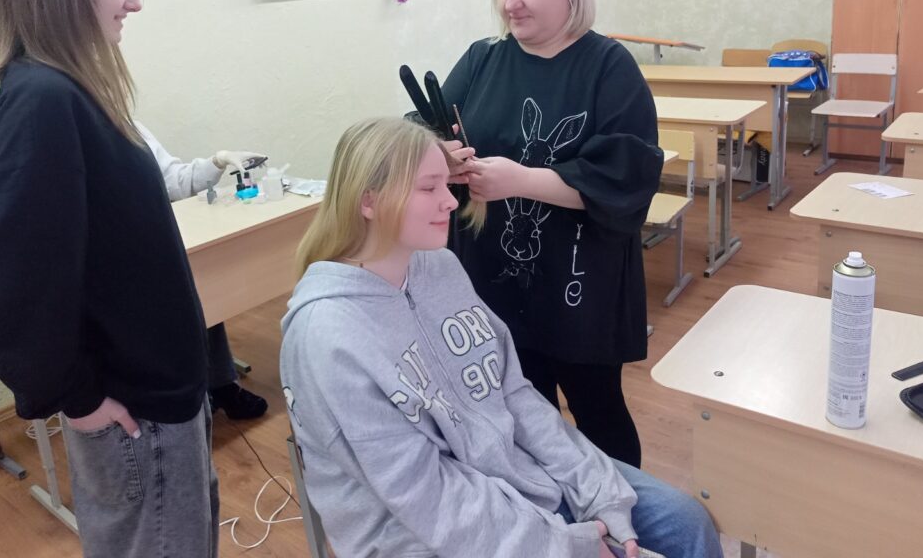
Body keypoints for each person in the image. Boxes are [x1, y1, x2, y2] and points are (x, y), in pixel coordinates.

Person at [279, 117, 721, 558]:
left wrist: (596, 488)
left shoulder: (439, 267)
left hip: (518, 478)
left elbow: (513, 393)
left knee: (686, 523)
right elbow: (429, 498)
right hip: (422, 534)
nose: (449, 202)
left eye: (445, 184)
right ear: (369, 201)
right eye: (428, 188)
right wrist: (564, 545)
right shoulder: (328, 336)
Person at [0, 0, 218, 557]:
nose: (134, 2)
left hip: (162, 394)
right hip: (132, 411)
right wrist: (79, 397)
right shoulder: (42, 101)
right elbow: (4, 281)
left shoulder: (74, 92)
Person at [440, 0, 663, 468]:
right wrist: (438, 153)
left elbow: (623, 179)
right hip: (493, 281)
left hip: (578, 287)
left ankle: (621, 507)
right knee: (522, 411)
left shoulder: (608, 67)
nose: (510, 3)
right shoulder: (483, 60)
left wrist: (519, 180)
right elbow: (427, 127)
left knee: (599, 410)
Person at [136, 123, 268, 420]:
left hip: (156, 237)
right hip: (129, 257)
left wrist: (217, 161)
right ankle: (195, 396)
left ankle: (222, 385)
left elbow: (176, 181)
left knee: (203, 286)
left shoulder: (131, 127)